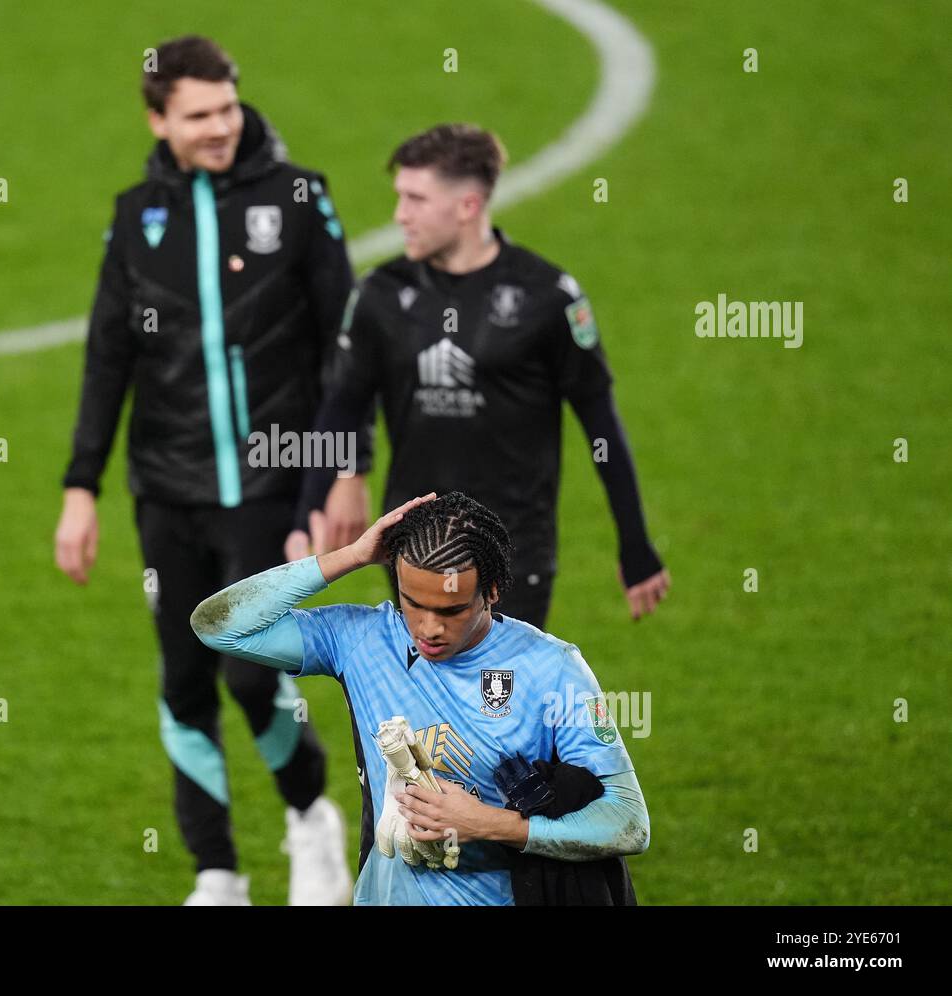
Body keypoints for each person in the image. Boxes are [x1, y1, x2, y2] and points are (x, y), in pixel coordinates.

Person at [55, 35, 370, 906]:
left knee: (243, 667)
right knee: (184, 678)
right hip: (167, 488)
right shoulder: (135, 215)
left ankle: (311, 819)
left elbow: (346, 344)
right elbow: (106, 356)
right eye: (199, 115)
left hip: (274, 479)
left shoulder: (299, 197)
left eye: (228, 107)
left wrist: (346, 469)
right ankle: (217, 872)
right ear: (159, 120)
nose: (221, 127)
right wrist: (80, 487)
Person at [287, 124, 670, 629]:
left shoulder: (546, 297)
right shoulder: (382, 294)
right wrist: (309, 510)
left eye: (416, 199)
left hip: (512, 554)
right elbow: (342, 403)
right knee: (427, 702)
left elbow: (600, 423)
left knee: (497, 702)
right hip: (412, 545)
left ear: (467, 206)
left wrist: (635, 543)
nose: (400, 215)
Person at [193, 491, 649, 905]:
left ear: (491, 592)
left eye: (451, 610)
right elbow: (217, 625)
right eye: (414, 603)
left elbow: (627, 821)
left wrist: (487, 823)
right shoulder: (363, 640)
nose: (429, 628)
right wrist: (350, 556)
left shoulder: (552, 670)